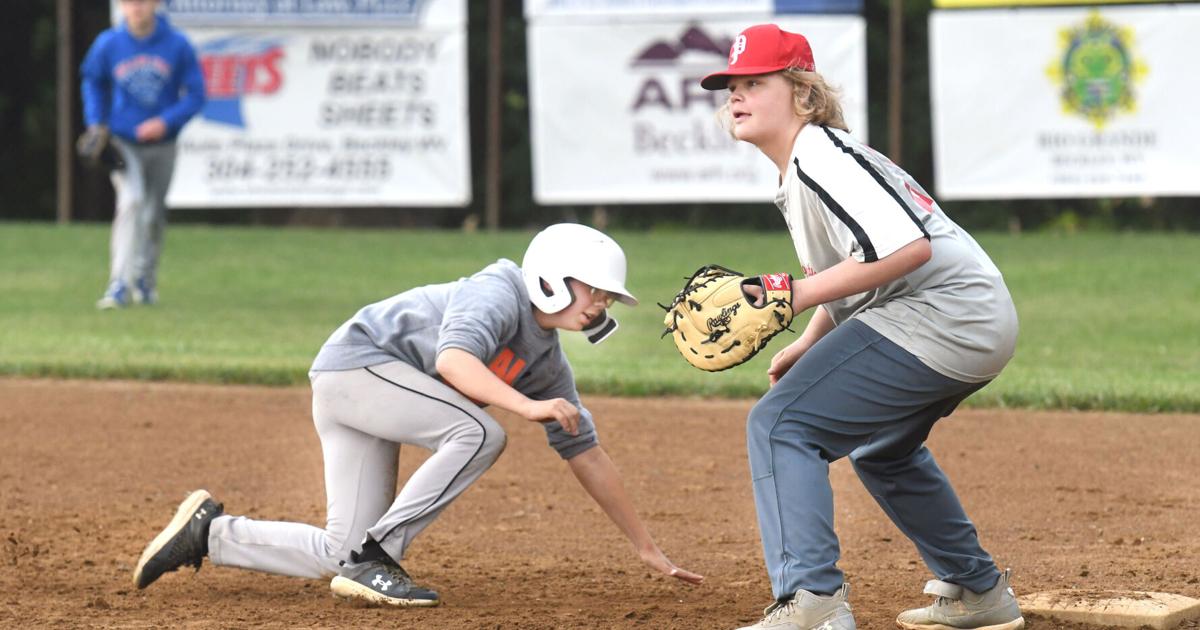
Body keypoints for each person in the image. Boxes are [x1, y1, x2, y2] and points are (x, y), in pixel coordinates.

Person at [131, 223, 704, 607]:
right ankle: (381, 557)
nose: (602, 304)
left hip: (371, 393)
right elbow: (453, 360)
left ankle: (209, 533)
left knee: (342, 552)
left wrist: (645, 547)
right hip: (355, 370)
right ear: (552, 276)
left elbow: (586, 451)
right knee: (479, 432)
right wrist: (526, 406)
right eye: (596, 289)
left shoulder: (544, 361)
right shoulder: (498, 290)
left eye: (608, 296)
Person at [698, 24, 1024, 630]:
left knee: (779, 425)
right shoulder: (812, 160)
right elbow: (860, 263)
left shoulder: (818, 154)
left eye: (755, 82)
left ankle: (814, 603)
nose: (736, 96)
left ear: (802, 93)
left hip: (942, 314)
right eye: (731, 86)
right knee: (883, 449)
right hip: (973, 316)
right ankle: (981, 593)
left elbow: (905, 249)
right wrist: (811, 337)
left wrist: (793, 296)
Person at [80, 0, 205, 309]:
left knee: (153, 214)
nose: (136, 7)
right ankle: (119, 284)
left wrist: (166, 121)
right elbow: (92, 81)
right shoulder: (109, 43)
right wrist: (96, 124)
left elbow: (196, 94)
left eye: (143, 1)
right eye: (130, 2)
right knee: (132, 201)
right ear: (121, 6)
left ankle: (145, 280)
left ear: (156, 4)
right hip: (123, 142)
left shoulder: (177, 44)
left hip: (163, 143)